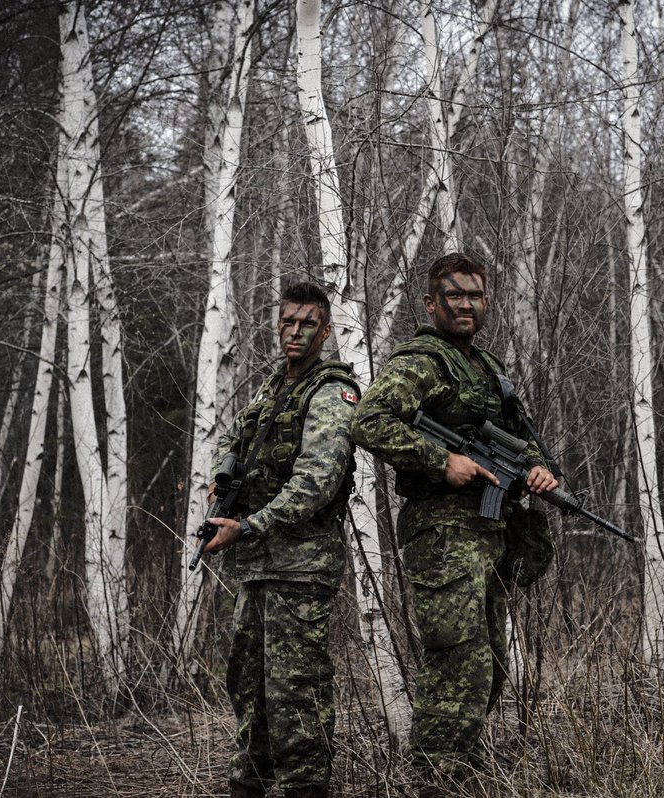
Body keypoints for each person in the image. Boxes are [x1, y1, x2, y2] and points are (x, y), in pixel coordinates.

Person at [350, 252, 557, 783]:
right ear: (431, 302)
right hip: (443, 534)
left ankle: (457, 771)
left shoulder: (488, 369)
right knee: (459, 666)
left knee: (489, 667)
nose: (466, 304)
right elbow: (368, 419)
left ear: (487, 302)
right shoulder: (423, 361)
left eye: (475, 295)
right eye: (454, 294)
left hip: (489, 534)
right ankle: (432, 779)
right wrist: (442, 461)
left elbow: (524, 438)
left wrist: (537, 469)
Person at [200, 281, 359, 798]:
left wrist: (248, 525)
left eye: (307, 323)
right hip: (258, 567)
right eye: (287, 322)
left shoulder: (332, 392)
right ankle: (247, 787)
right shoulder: (274, 388)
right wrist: (224, 475)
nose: (295, 332)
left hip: (302, 570)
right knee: (249, 691)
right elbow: (236, 433)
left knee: (296, 698)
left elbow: (315, 482)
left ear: (326, 330)